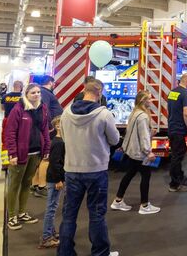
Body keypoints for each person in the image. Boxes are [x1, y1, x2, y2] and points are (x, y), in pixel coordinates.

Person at [58, 79, 121, 256]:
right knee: (96, 214)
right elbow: (115, 140)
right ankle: (100, 253)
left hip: (71, 170)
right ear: (99, 92)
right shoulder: (104, 114)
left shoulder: (66, 112)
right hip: (96, 170)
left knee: (69, 215)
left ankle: (65, 252)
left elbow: (63, 137)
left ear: (83, 90)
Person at [5, 84, 51, 230]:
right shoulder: (18, 109)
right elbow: (10, 132)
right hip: (19, 155)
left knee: (26, 184)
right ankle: (12, 215)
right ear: (26, 94)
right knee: (14, 185)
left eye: (38, 92)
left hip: (36, 152)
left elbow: (44, 129)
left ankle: (22, 212)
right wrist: (12, 153)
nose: (36, 95)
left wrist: (46, 148)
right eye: (33, 93)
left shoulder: (42, 108)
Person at [110, 90, 160, 215]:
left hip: (131, 150)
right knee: (145, 175)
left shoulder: (134, 113)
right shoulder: (143, 116)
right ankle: (144, 205)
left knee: (130, 174)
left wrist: (150, 133)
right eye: (149, 98)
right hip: (139, 153)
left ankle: (118, 200)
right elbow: (143, 136)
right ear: (143, 101)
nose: (151, 100)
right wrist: (148, 152)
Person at [32, 76, 63, 197]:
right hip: (48, 131)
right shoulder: (44, 92)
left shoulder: (44, 92)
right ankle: (41, 186)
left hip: (46, 130)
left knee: (41, 158)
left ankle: (35, 184)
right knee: (46, 158)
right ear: (51, 82)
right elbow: (43, 110)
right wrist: (49, 126)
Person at [167, 73, 187, 192]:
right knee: (177, 156)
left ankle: (179, 176)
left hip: (172, 127)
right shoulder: (186, 94)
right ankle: (175, 184)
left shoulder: (173, 92)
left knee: (176, 155)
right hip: (180, 130)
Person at [40, 117, 65, 249]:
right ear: (56, 126)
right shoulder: (59, 143)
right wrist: (58, 180)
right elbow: (55, 163)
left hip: (55, 178)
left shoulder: (59, 141)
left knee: (53, 207)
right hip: (54, 179)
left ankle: (51, 232)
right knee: (51, 208)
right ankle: (46, 237)